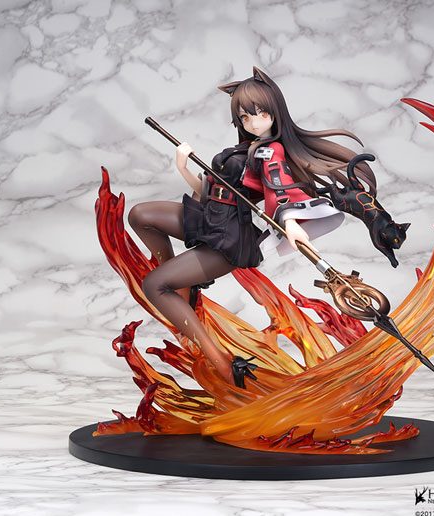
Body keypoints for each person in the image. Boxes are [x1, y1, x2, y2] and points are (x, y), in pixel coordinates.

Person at [127, 67, 377, 388]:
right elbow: (208, 191)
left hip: (228, 238)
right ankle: (183, 290)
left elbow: (278, 188)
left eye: (261, 114)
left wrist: (290, 223)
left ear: (275, 113)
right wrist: (183, 168)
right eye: (245, 117)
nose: (254, 122)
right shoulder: (242, 149)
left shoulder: (270, 152)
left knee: (153, 285)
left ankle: (223, 363)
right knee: (140, 215)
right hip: (208, 217)